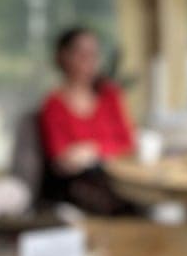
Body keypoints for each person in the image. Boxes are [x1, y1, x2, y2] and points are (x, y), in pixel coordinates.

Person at [39, 26, 138, 215]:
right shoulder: (53, 104)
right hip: (76, 184)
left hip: (116, 177)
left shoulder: (109, 95)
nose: (89, 60)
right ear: (63, 57)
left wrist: (93, 149)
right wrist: (96, 153)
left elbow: (127, 142)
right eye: (81, 54)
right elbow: (61, 158)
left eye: (94, 54)